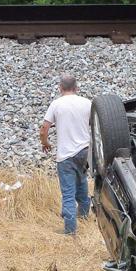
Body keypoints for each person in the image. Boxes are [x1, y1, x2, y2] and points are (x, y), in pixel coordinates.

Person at [40, 75, 92, 235]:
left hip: (66, 155)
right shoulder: (87, 103)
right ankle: (83, 217)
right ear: (77, 88)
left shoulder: (56, 104)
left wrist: (45, 143)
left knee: (68, 193)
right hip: (84, 151)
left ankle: (70, 230)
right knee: (82, 182)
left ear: (60, 88)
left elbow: (44, 128)